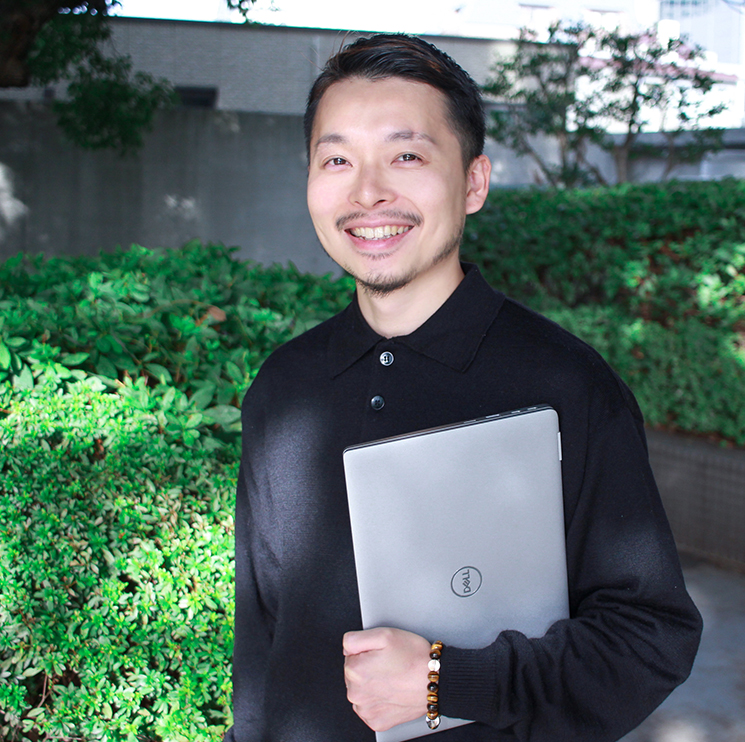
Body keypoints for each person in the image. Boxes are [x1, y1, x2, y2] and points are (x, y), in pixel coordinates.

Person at [224, 33, 701, 742]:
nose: (367, 191)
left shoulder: (566, 385)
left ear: (474, 183)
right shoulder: (284, 386)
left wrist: (446, 682)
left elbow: (649, 638)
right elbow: (263, 635)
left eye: (407, 156)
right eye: (337, 159)